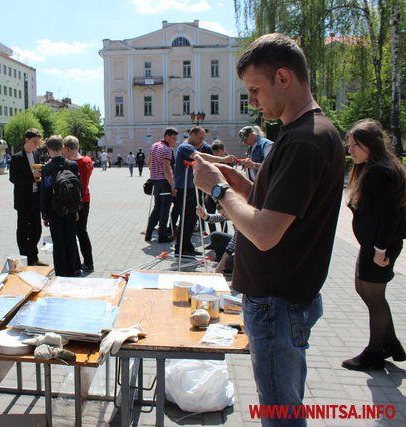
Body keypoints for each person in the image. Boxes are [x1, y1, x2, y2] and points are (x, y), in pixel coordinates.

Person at [193, 33, 345, 426]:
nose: (253, 101)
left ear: (283, 77)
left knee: (280, 415)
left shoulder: (304, 141)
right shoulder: (304, 133)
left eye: (255, 90)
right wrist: (243, 185)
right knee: (282, 406)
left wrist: (219, 189)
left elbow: (264, 232)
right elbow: (278, 207)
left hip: (277, 302)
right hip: (281, 298)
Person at [341, 119, 406, 371]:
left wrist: (380, 250)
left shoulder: (379, 171)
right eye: (349, 146)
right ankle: (390, 343)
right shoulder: (374, 167)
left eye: (355, 145)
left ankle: (374, 353)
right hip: (375, 245)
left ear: (370, 145)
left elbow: (390, 215)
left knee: (374, 298)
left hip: (381, 247)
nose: (351, 151)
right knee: (364, 289)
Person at [41, 135, 81, 277]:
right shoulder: (72, 165)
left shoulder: (47, 168)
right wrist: (77, 209)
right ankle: (74, 269)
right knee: (71, 238)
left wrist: (44, 214)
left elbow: (45, 191)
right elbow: (78, 188)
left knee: (58, 242)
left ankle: (61, 271)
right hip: (70, 208)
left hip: (54, 209)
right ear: (62, 147)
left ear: (49, 149)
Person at [9, 129, 47, 267]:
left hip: (36, 198)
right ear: (26, 140)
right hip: (23, 200)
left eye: (38, 142)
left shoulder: (37, 153)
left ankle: (34, 257)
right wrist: (32, 175)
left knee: (37, 230)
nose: (37, 145)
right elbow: (13, 178)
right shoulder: (17, 157)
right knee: (23, 231)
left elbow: (39, 174)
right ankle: (26, 259)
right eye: (34, 142)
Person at [63, 135, 95, 272]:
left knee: (73, 232)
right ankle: (88, 262)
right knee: (82, 231)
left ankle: (75, 263)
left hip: (74, 202)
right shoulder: (88, 161)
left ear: (67, 148)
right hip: (86, 199)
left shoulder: (70, 164)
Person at [145, 127, 178, 243]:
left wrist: (154, 170)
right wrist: (172, 185)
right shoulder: (167, 149)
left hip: (155, 181)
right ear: (167, 136)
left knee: (157, 208)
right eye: (173, 138)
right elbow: (166, 169)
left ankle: (148, 233)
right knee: (165, 209)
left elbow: (149, 163)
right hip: (164, 182)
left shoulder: (154, 145)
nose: (175, 141)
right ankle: (162, 236)